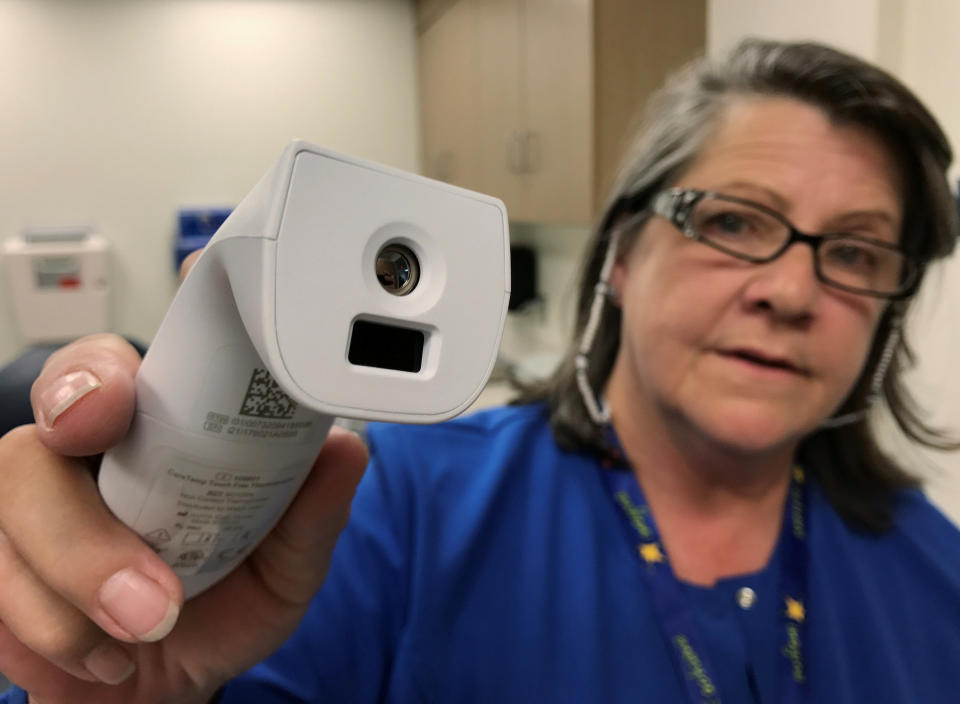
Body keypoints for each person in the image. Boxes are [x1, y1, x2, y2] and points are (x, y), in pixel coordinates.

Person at [1, 38, 959, 704]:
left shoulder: (936, 574)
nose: (793, 290)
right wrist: (130, 685)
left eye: (858, 252)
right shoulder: (390, 506)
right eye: (735, 221)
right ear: (621, 253)